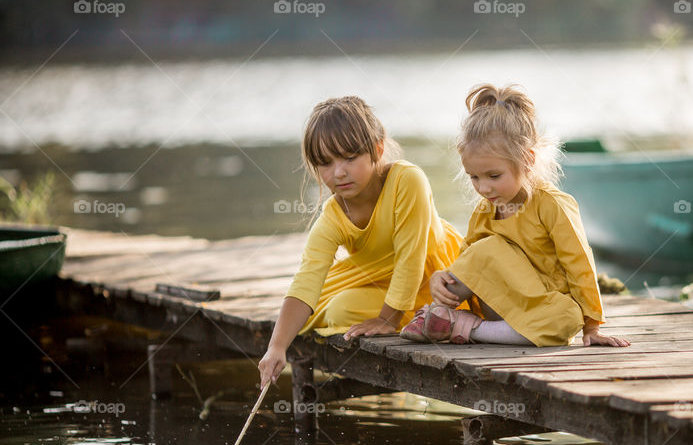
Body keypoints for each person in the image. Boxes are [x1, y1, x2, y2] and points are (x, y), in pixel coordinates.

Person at [400, 84, 630, 348]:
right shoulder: (486, 210)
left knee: (566, 319)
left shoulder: (552, 205)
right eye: (474, 177)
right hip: (499, 303)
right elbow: (469, 261)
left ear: (528, 160)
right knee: (482, 250)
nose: (483, 188)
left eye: (493, 176)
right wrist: (444, 276)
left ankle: (463, 326)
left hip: (541, 309)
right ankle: (434, 316)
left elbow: (580, 264)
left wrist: (592, 326)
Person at [258, 96, 462, 388]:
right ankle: (416, 318)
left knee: (340, 312)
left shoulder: (407, 180)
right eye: (325, 163)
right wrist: (276, 347)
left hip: (433, 278)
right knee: (336, 309)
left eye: (349, 158)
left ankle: (430, 316)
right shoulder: (332, 216)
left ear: (377, 150)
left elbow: (411, 259)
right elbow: (307, 279)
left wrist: (388, 320)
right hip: (380, 284)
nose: (338, 172)